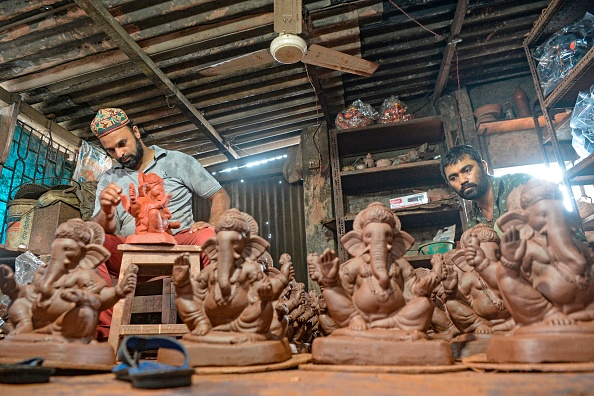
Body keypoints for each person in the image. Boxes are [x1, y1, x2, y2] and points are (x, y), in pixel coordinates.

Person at [89, 107, 231, 339]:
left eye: (122, 144)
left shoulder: (177, 161)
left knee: (212, 238)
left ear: (136, 132)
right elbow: (104, 229)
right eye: (111, 150)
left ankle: (219, 325)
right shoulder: (109, 177)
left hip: (178, 246)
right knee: (89, 242)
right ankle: (104, 334)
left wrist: (211, 223)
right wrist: (105, 210)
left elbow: (219, 195)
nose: (119, 153)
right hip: (130, 250)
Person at [440, 145, 532, 230]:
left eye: (467, 170)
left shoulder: (516, 183)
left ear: (483, 166)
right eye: (453, 178)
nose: (462, 180)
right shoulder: (473, 219)